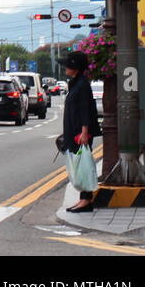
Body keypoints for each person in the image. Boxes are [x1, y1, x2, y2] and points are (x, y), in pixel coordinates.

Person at [60, 50, 101, 213]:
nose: (65, 68)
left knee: (82, 165)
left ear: (75, 67)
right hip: (74, 130)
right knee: (78, 165)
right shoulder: (76, 82)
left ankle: (86, 200)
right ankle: (83, 199)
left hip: (80, 132)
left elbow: (85, 110)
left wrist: (84, 132)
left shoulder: (83, 84)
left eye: (68, 65)